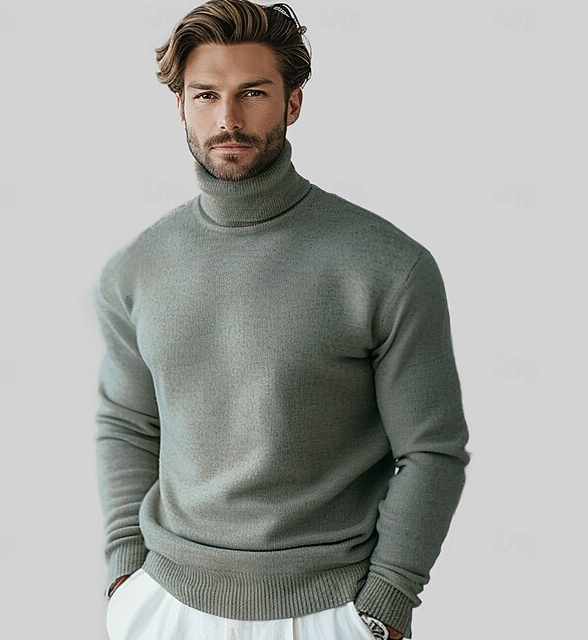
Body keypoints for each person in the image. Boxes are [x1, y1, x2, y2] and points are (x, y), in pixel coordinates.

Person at [92, 1, 472, 639]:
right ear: (180, 106)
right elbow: (127, 424)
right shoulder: (136, 268)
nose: (228, 119)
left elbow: (432, 449)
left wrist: (384, 604)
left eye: (253, 93)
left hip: (329, 610)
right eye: (205, 95)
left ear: (293, 103)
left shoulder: (388, 266)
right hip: (165, 604)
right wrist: (125, 573)